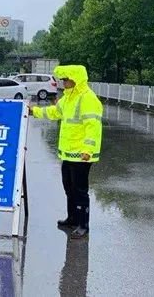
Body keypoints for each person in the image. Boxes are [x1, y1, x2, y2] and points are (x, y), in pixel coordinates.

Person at [30, 65, 103, 239]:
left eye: (66, 79)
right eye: (62, 80)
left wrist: (88, 150)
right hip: (69, 153)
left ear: (76, 80)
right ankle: (72, 218)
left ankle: (83, 224)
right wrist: (34, 111)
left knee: (79, 190)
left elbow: (93, 127)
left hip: (82, 155)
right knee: (68, 187)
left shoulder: (88, 98)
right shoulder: (68, 98)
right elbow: (55, 112)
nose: (64, 83)